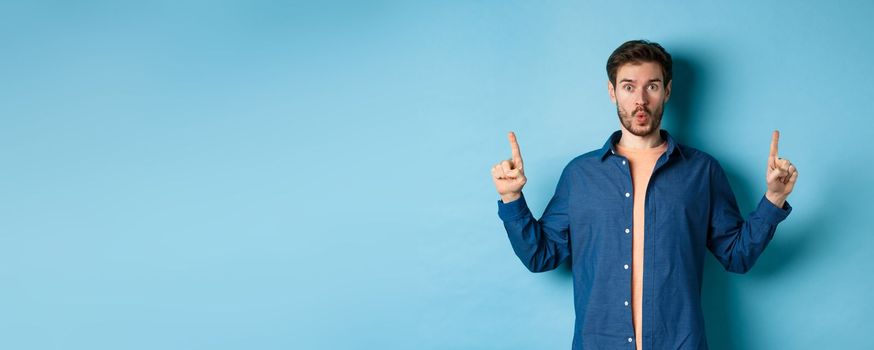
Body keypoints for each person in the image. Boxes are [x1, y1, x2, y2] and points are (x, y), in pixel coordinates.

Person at [490, 40, 798, 350]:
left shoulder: (702, 172)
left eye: (651, 86)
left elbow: (737, 255)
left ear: (667, 91)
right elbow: (540, 256)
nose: (640, 100)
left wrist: (773, 199)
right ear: (612, 92)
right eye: (628, 87)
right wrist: (511, 199)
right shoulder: (580, 176)